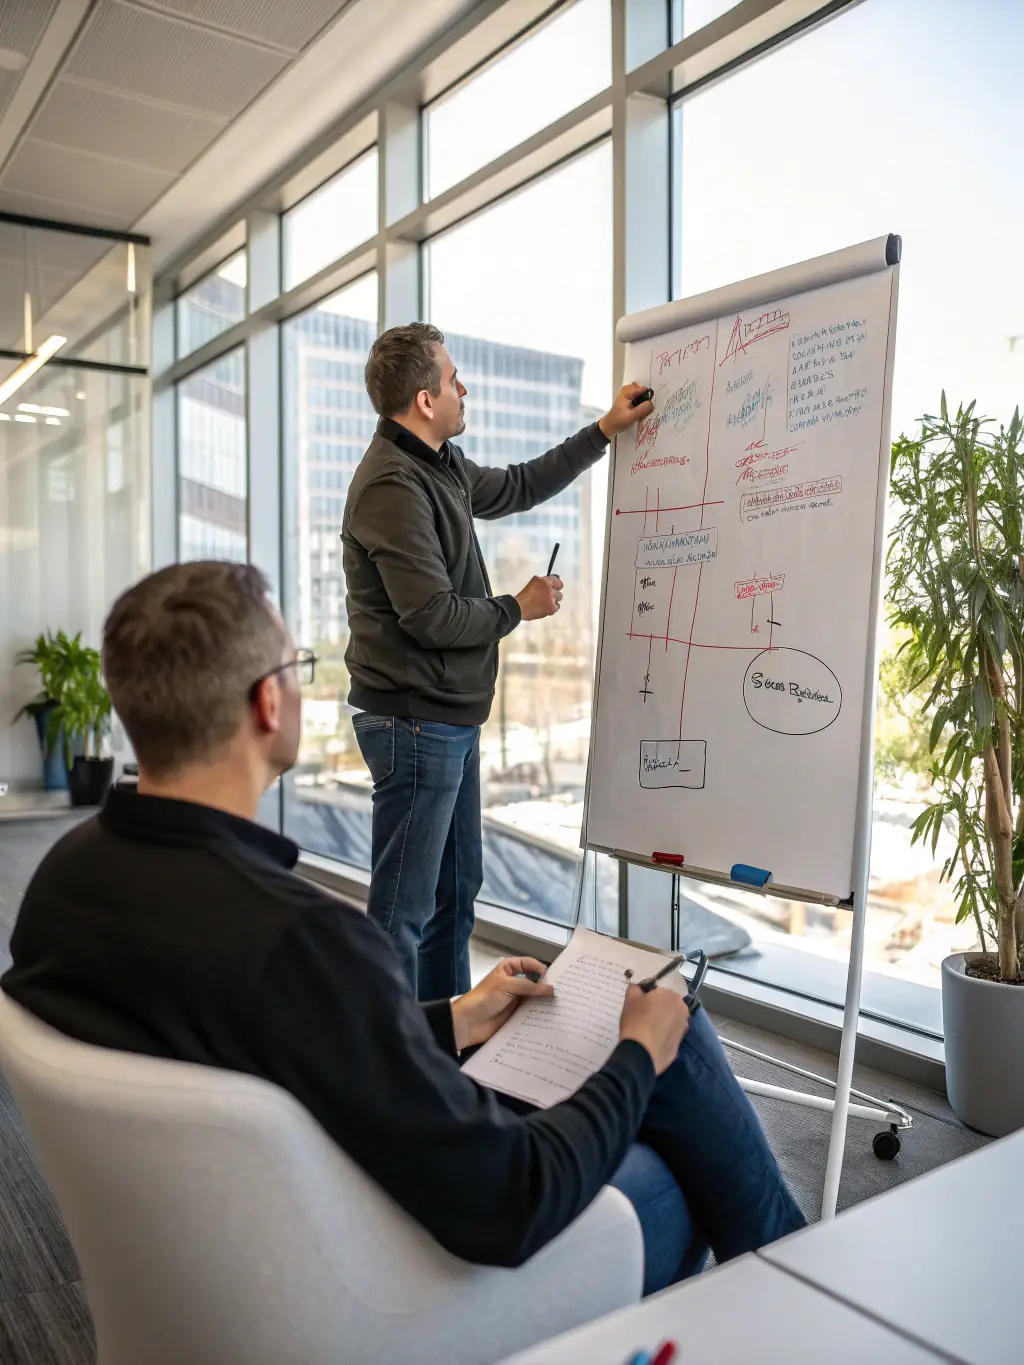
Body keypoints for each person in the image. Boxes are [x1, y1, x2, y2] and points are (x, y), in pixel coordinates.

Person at [1, 562, 804, 1295]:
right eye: (297, 667)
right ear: (267, 702)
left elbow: (275, 1031)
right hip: (383, 1286)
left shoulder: (64, 881)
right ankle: (812, 1294)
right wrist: (638, 1055)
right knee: (679, 1124)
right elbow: (511, 1202)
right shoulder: (300, 937)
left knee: (641, 1065)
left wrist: (452, 1018)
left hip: (233, 1261)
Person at [344, 323, 654, 999]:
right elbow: (430, 616)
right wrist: (521, 605)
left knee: (453, 896)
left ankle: (442, 1043)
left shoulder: (440, 465)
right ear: (426, 400)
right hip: (413, 721)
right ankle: (387, 1067)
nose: (464, 387)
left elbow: (517, 486)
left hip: (447, 719)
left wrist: (603, 429)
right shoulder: (391, 485)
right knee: (404, 913)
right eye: (453, 378)